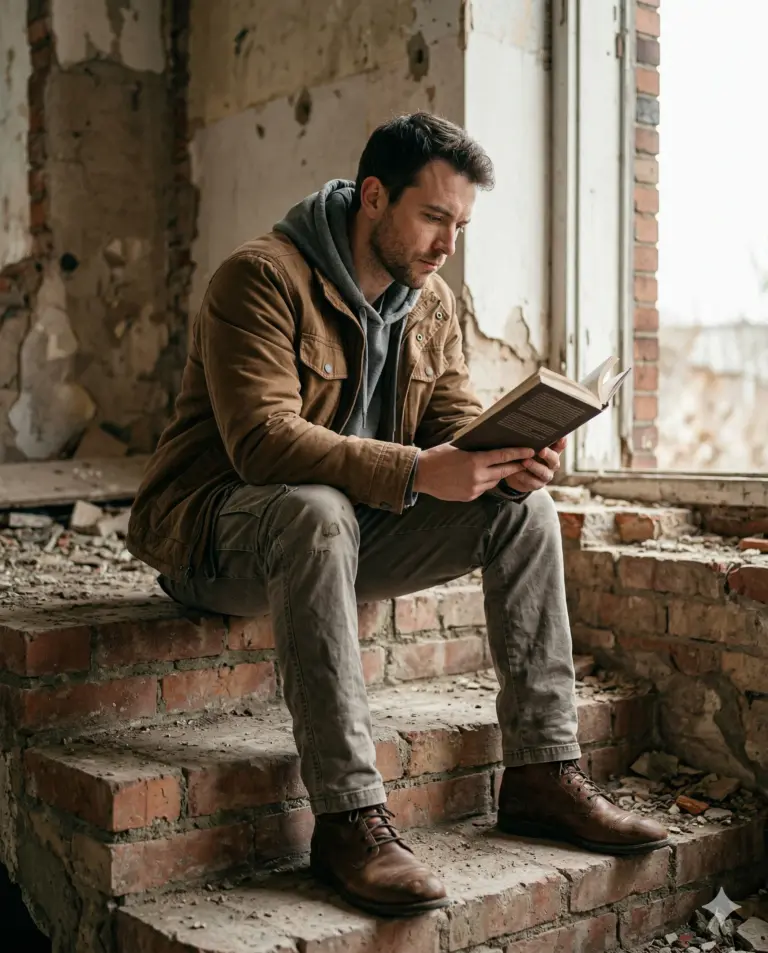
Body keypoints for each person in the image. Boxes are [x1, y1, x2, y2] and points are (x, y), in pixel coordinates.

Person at [127, 112, 669, 918]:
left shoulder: (430, 301)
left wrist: (507, 457)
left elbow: (452, 422)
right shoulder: (260, 279)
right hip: (216, 534)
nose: (447, 243)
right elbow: (261, 443)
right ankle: (348, 818)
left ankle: (543, 772)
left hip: (342, 533)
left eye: (462, 225)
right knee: (316, 512)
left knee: (526, 511)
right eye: (435, 218)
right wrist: (420, 469)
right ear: (374, 198)